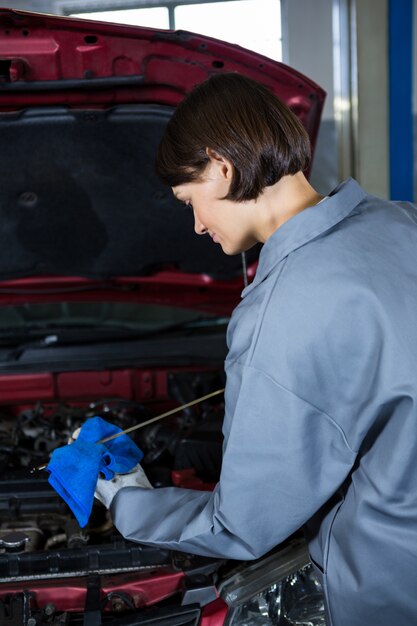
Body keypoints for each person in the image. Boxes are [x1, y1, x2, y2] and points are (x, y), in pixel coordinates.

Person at [97, 73, 417, 626]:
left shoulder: (282, 311)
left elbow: (242, 523)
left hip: (393, 588)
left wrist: (127, 500)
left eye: (189, 200)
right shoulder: (402, 220)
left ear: (222, 168)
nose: (196, 225)